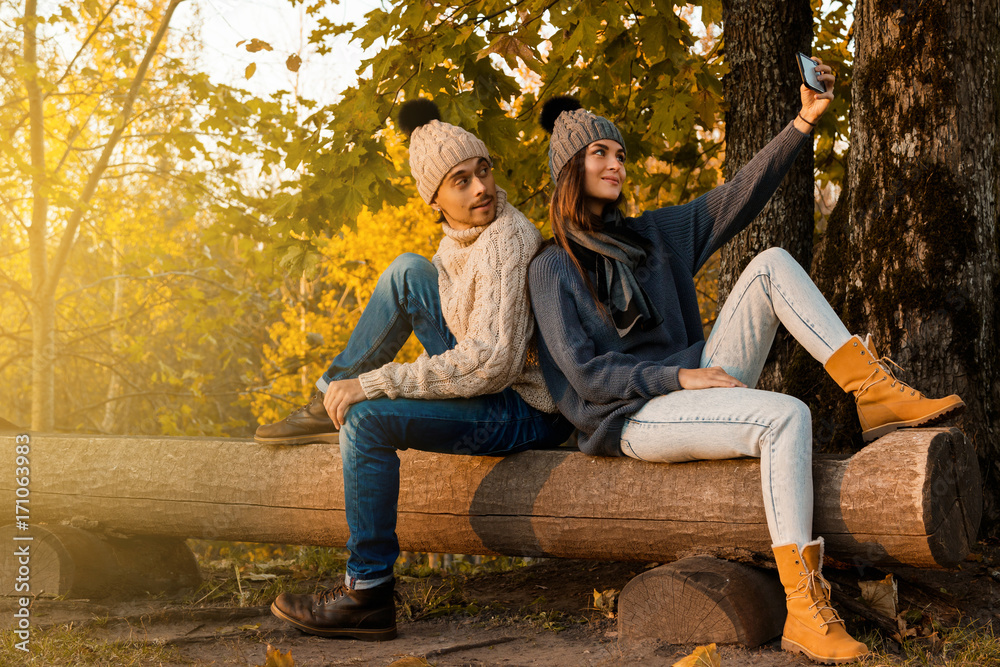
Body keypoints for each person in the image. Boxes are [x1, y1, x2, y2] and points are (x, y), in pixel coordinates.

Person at [528, 62, 963, 664]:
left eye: (621, 155)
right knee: (787, 416)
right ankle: (806, 610)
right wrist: (673, 376)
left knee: (772, 261)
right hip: (630, 416)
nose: (616, 166)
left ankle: (872, 388)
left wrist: (803, 122)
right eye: (600, 153)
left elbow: (739, 195)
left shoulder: (655, 235)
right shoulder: (551, 266)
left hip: (699, 380)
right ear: (569, 168)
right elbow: (584, 376)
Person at [258, 99, 572, 641]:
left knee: (367, 419)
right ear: (435, 199)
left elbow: (492, 364)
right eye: (460, 181)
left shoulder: (507, 238)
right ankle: (325, 395)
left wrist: (375, 384)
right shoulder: (457, 243)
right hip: (488, 379)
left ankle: (368, 594)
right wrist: (374, 384)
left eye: (483, 172)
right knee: (406, 271)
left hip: (524, 407)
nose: (481, 188)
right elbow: (461, 335)